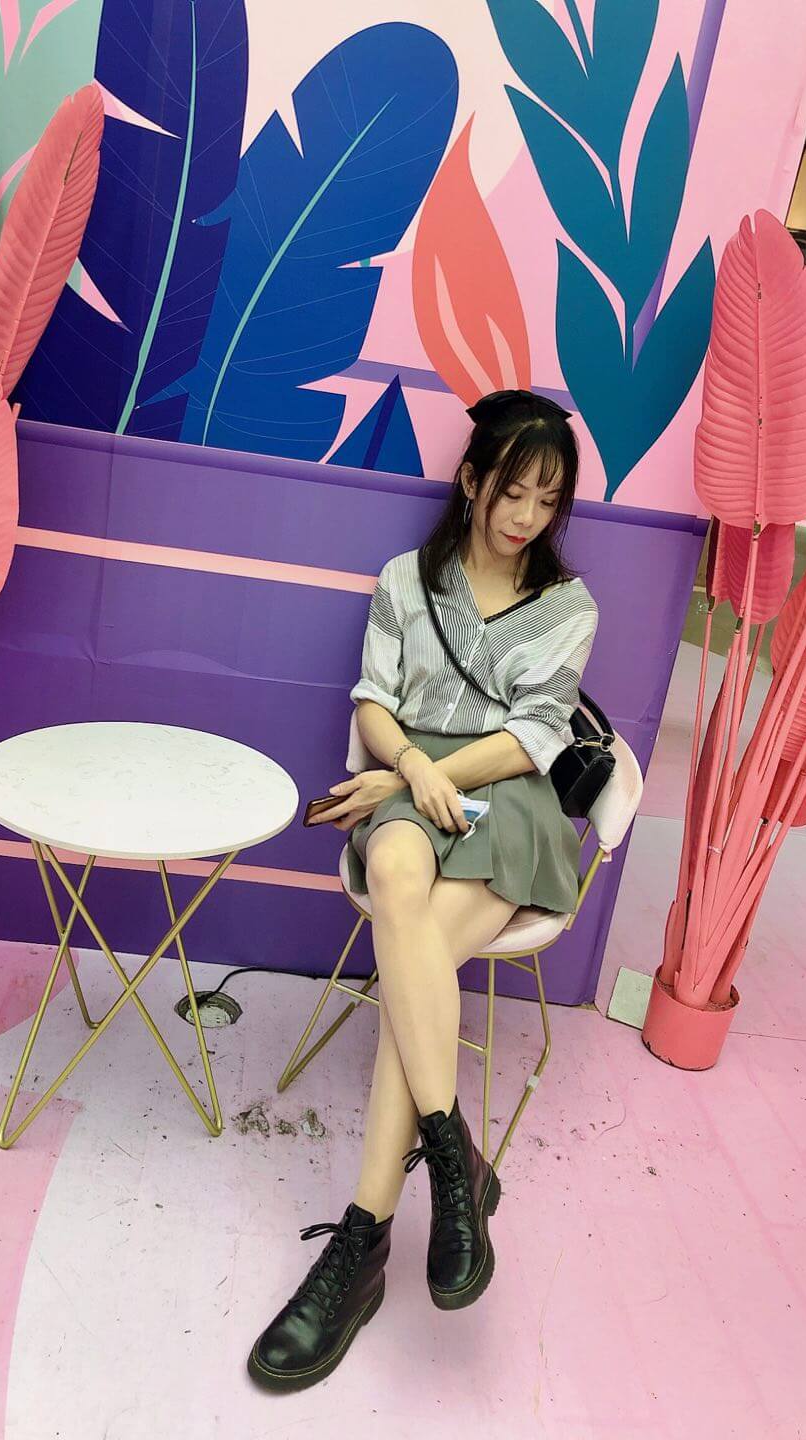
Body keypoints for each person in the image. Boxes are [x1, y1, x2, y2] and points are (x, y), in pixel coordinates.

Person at [247, 390, 599, 1393]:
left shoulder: (569, 608)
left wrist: (420, 776)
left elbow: (534, 736)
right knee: (397, 873)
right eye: (510, 489)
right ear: (471, 478)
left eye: (546, 498)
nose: (524, 515)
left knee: (413, 968)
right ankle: (453, 1163)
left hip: (508, 797)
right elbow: (372, 700)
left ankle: (362, 1236)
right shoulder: (408, 580)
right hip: (413, 775)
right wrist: (407, 769)